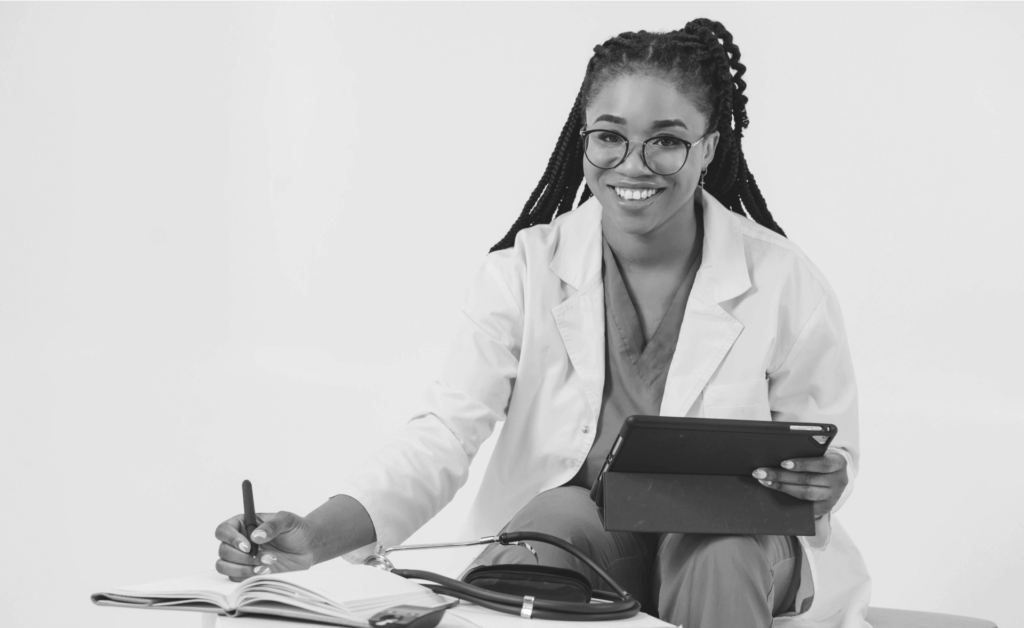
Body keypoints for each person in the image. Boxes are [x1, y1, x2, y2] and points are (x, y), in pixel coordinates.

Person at [214, 18, 870, 628]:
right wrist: (311, 537)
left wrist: (824, 477)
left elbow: (827, 454)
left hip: (737, 547)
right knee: (552, 521)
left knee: (719, 544)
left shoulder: (783, 280)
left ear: (709, 150)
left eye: (666, 141)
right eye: (609, 136)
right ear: (581, 138)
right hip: (589, 542)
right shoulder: (523, 273)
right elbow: (444, 436)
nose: (633, 164)